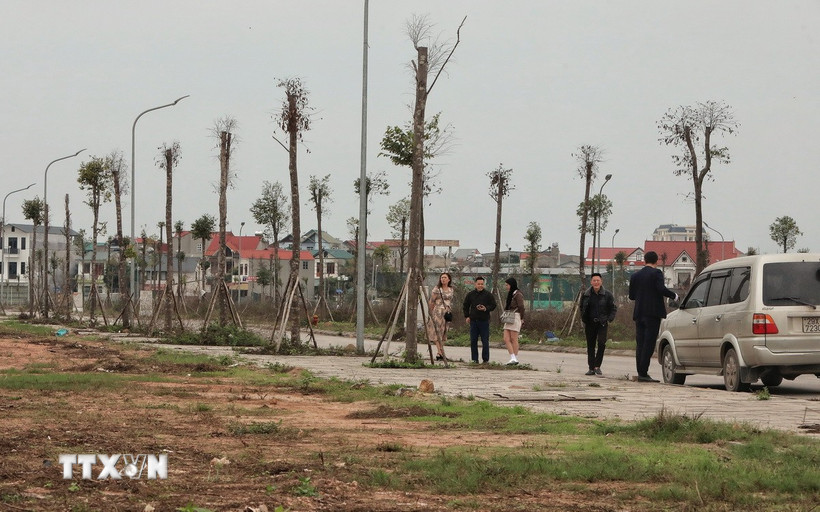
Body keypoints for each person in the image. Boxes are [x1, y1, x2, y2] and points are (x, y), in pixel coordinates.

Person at [628, 251, 678, 382]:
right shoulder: (656, 273)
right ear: (656, 261)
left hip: (639, 313)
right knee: (649, 343)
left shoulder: (635, 275)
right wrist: (674, 295)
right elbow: (661, 289)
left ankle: (641, 372)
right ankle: (644, 373)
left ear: (644, 260)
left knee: (640, 343)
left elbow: (631, 296)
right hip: (653, 313)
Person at [580, 272, 617, 376]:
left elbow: (613, 308)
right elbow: (581, 307)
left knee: (601, 343)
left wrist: (609, 319)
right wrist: (584, 318)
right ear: (591, 282)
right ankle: (591, 368)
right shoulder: (586, 294)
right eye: (594, 280)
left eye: (598, 280)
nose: (596, 282)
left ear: (601, 282)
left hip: (602, 323)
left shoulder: (607, 295)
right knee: (590, 345)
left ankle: (597, 366)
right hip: (590, 323)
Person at [462, 276, 497, 364]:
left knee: (485, 341)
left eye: (482, 284)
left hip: (484, 321)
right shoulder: (470, 294)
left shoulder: (488, 295)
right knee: (473, 341)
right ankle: (474, 359)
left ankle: (485, 359)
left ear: (484, 284)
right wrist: (467, 316)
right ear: (475, 284)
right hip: (473, 321)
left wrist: (486, 308)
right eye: (478, 284)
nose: (480, 286)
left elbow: (493, 305)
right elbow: (465, 306)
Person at [426, 272, 454, 361]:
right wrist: (430, 312)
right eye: (442, 277)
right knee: (437, 332)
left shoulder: (451, 289)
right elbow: (431, 301)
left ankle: (440, 353)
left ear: (449, 279)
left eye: (445, 277)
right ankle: (440, 352)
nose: (443, 279)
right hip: (438, 312)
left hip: (447, 312)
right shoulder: (437, 289)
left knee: (444, 332)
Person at [501, 277, 525, 365]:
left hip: (516, 316)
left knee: (514, 339)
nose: (506, 287)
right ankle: (513, 357)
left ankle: (515, 358)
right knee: (506, 338)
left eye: (507, 285)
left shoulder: (518, 294)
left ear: (511, 285)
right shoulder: (511, 294)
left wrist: (522, 318)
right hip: (509, 317)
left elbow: (521, 307)